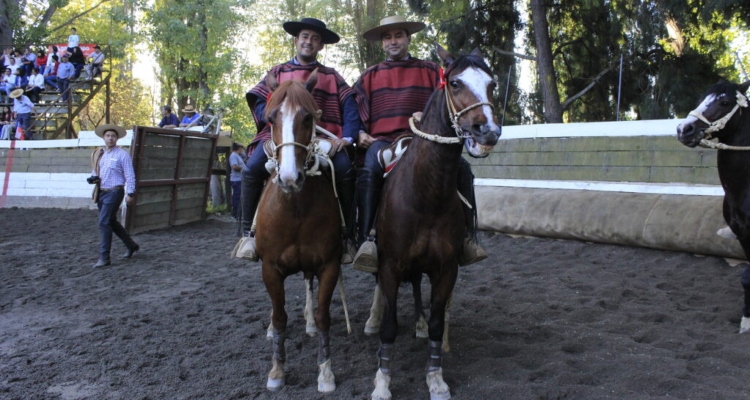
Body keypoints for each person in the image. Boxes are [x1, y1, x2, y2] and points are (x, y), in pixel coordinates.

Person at [351, 16, 487, 272]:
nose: (393, 41)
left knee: (463, 169)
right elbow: (354, 110)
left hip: (425, 141)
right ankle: (366, 240)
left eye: (398, 35)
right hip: (384, 142)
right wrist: (358, 132)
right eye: (388, 37)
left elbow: (450, 102)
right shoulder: (369, 76)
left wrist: (427, 116)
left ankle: (467, 239)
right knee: (369, 169)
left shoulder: (430, 71)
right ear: (382, 43)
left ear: (408, 38)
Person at [238, 17, 359, 263]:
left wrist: (346, 137)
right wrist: (275, 116)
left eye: (315, 39)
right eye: (305, 37)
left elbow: (349, 105)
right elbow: (260, 101)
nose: (309, 42)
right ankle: (246, 235)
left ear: (321, 46)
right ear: (296, 40)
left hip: (322, 136)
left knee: (346, 170)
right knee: (251, 170)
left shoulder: (331, 76)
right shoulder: (278, 72)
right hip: (281, 135)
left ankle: (349, 236)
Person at [87, 123, 139, 268]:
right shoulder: (100, 154)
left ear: (117, 139)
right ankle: (131, 245)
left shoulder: (122, 155)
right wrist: (93, 178)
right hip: (102, 191)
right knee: (111, 221)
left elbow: (130, 175)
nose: (110, 138)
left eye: (113, 136)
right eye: (108, 136)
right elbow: (96, 170)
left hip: (115, 191)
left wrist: (130, 192)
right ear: (104, 137)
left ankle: (104, 257)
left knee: (103, 222)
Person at [229, 143, 245, 221]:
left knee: (239, 197)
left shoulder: (238, 156)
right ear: (238, 149)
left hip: (239, 179)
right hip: (237, 180)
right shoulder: (234, 156)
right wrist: (243, 168)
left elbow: (245, 154)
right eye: (241, 149)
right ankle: (235, 215)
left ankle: (238, 214)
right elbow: (234, 166)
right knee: (237, 197)